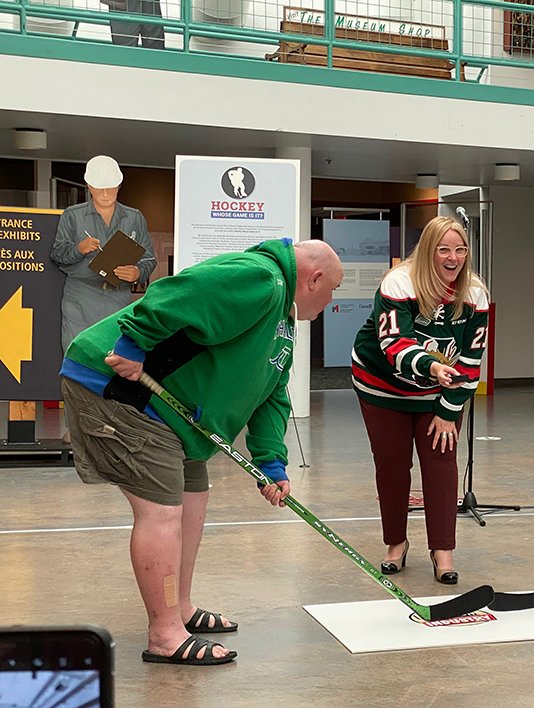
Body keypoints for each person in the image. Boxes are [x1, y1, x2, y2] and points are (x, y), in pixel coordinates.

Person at [59, 238, 343, 665]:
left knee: (194, 498)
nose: (331, 300)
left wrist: (270, 461)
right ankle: (165, 634)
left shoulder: (281, 318)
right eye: (333, 290)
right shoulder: (261, 278)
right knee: (162, 512)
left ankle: (180, 608)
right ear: (315, 278)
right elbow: (181, 293)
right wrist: (134, 345)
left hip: (174, 416)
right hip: (120, 387)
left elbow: (271, 391)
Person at [352, 216, 489, 585]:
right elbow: (395, 344)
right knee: (393, 465)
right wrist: (430, 367)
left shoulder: (475, 294)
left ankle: (442, 550)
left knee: (441, 462)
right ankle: (396, 543)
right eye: (444, 249)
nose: (453, 257)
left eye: (460, 250)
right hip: (382, 385)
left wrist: (448, 410)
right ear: (428, 250)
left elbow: (471, 361)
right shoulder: (398, 282)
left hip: (439, 387)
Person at [51, 155, 157, 355]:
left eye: (111, 188)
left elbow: (149, 258)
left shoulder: (134, 218)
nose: (106, 194)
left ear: (119, 186)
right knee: (77, 355)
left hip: (118, 297)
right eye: (100, 188)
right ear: (89, 186)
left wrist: (137, 272)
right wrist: (79, 249)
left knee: (114, 355)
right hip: (80, 295)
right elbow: (57, 254)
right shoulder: (72, 216)